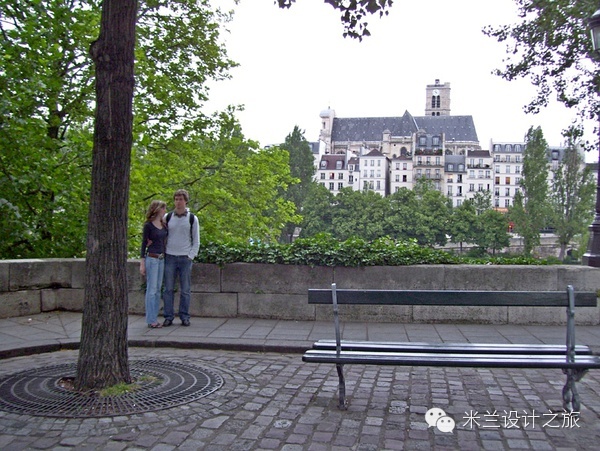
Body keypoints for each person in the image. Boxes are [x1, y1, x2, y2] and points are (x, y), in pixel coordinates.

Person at [162, 189, 200, 327]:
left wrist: (191, 256)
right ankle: (168, 316)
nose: (178, 202)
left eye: (181, 199)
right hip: (170, 256)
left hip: (185, 257)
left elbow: (196, 239)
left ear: (186, 201)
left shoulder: (192, 218)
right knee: (168, 289)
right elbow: (162, 235)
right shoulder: (167, 217)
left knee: (185, 289)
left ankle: (184, 316)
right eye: (176, 199)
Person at [140, 200, 168, 328]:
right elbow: (144, 244)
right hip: (152, 258)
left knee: (157, 290)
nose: (165, 211)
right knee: (151, 290)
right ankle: (151, 319)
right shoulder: (149, 226)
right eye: (163, 208)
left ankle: (154, 317)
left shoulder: (164, 225)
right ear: (157, 209)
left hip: (161, 258)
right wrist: (142, 262)